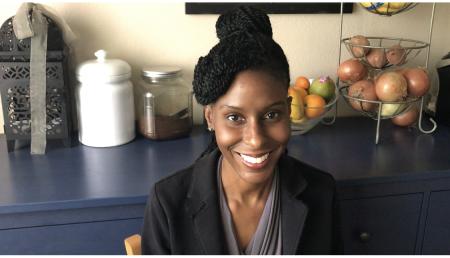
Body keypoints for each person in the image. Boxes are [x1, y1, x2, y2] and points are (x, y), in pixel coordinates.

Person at [141, 5, 340, 255]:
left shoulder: (321, 193)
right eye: (235, 117)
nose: (255, 140)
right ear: (210, 117)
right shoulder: (168, 202)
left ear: (289, 111)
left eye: (271, 115)